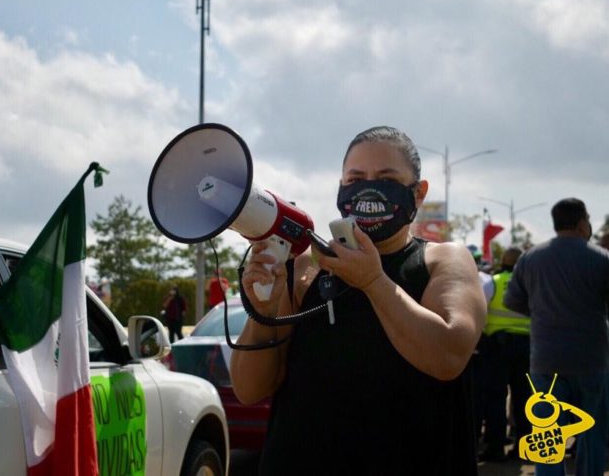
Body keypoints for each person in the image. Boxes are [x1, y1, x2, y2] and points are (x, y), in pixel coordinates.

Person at [230, 126, 487, 475]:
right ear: (340, 186)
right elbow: (249, 389)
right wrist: (262, 312)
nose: (369, 186)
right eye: (356, 177)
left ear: (419, 192)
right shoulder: (306, 268)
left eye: (386, 177)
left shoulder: (443, 260)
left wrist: (373, 281)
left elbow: (448, 355)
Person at [505, 198, 609, 476]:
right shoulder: (600, 258)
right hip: (592, 361)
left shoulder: (530, 258)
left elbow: (511, 301)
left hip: (545, 361)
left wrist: (542, 311)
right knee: (593, 431)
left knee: (548, 435)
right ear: (581, 223)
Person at [478, 247, 531, 462]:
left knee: (495, 398)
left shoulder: (494, 282)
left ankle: (495, 447)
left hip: (497, 348)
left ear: (503, 262)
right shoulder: (532, 285)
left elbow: (479, 310)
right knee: (524, 400)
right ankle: (524, 450)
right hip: (528, 347)